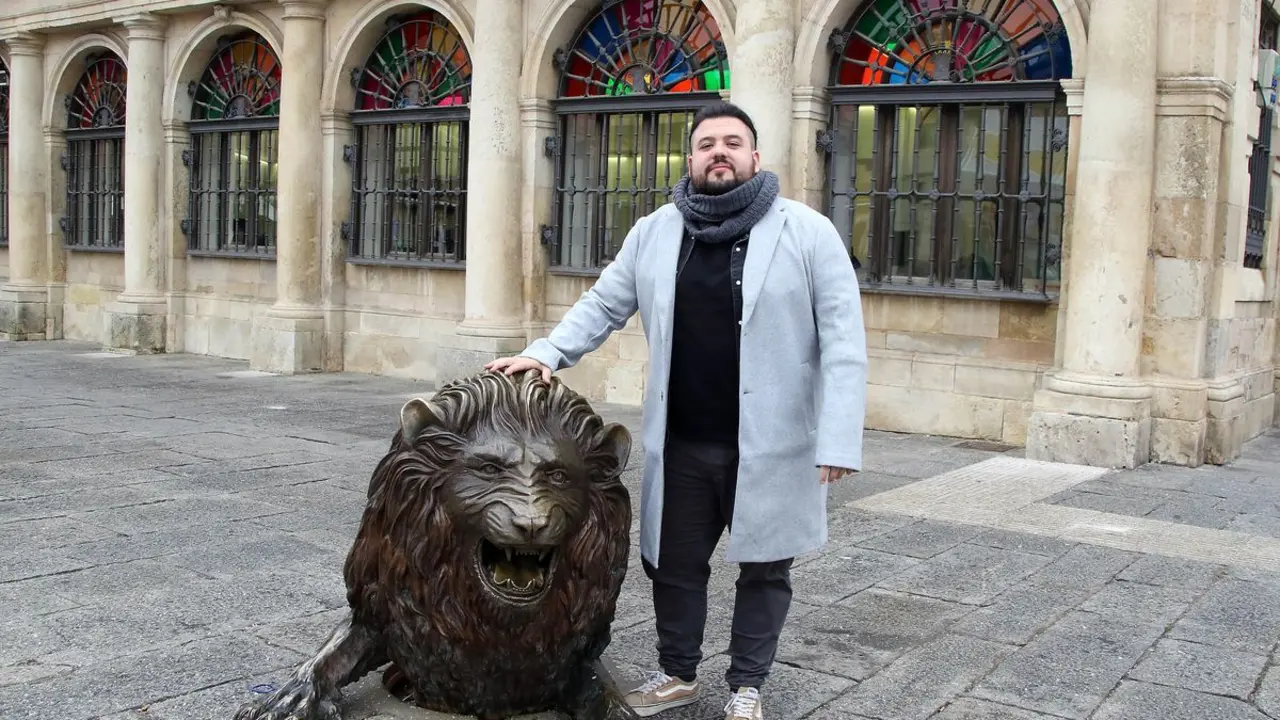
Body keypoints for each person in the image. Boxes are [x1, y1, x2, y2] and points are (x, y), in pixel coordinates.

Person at [485, 101, 867, 720]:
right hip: (685, 441)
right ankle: (678, 674)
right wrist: (546, 353)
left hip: (773, 445)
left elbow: (845, 341)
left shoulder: (808, 232)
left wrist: (840, 439)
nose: (720, 152)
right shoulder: (656, 231)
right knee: (672, 566)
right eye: (708, 143)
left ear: (755, 157)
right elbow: (603, 304)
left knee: (765, 568)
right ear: (690, 159)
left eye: (733, 143)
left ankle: (747, 685)